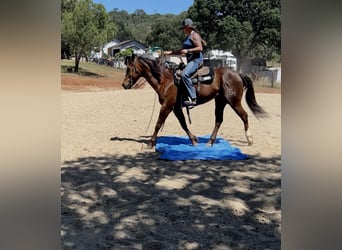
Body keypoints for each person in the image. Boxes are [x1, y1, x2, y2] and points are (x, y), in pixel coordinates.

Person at [164, 18, 205, 107]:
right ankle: (183, 97)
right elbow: (182, 51)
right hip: (190, 61)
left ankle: (193, 98)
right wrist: (170, 52)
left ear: (188, 27)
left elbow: (200, 48)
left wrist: (188, 50)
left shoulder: (195, 36)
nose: (183, 30)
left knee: (184, 74)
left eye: (184, 28)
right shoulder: (188, 37)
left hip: (196, 60)